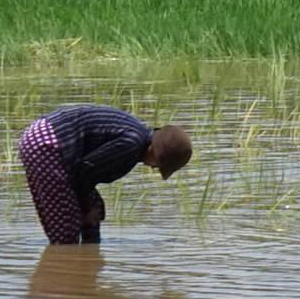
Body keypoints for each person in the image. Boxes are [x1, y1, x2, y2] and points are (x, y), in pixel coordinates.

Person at [16, 103, 189, 244]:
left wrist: (91, 207)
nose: (153, 168)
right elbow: (83, 172)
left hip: (47, 139)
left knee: (94, 212)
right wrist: (87, 207)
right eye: (159, 165)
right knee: (66, 228)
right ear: (155, 152)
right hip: (47, 145)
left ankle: (88, 261)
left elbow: (86, 174)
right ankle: (65, 266)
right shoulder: (131, 144)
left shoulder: (136, 135)